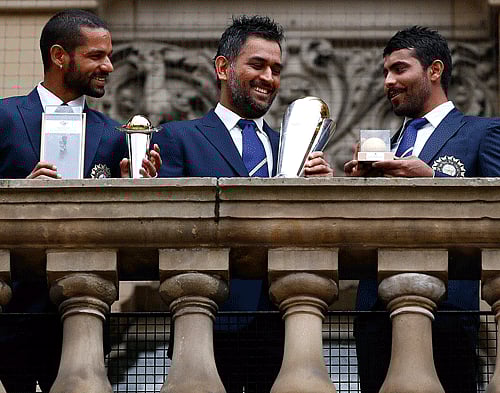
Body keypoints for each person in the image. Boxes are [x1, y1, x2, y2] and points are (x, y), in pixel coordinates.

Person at [153, 15, 333, 393]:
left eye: (276, 69)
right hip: (207, 321)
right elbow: (164, 227)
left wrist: (322, 191)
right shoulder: (178, 138)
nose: (269, 77)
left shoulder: (294, 149)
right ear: (222, 67)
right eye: (258, 64)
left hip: (286, 324)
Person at [0, 9, 160, 392]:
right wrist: (18, 191)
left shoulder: (111, 134)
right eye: (96, 56)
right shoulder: (4, 116)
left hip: (84, 312)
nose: (108, 66)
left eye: (109, 55)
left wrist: (133, 189)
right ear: (59, 57)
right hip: (10, 309)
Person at [345, 26, 500, 393]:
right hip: (375, 312)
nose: (388, 81)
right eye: (385, 72)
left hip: (448, 310)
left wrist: (430, 176)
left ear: (434, 70)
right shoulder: (387, 145)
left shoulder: (482, 133)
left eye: (399, 69)